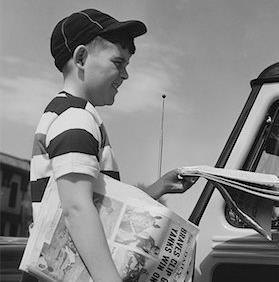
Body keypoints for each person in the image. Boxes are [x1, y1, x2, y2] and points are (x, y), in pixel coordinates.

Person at [24, 9, 197, 282]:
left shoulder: (67, 113)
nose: (125, 75)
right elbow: (77, 208)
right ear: (81, 58)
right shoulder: (76, 118)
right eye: (118, 63)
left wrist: (158, 187)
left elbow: (101, 204)